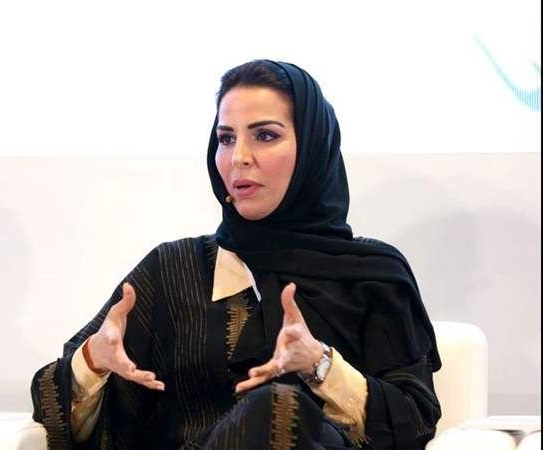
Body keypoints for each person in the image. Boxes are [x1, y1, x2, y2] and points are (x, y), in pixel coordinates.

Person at [31, 60, 442, 450]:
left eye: (265, 136)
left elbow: (415, 421)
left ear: (312, 150)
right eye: (226, 138)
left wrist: (319, 365)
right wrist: (93, 363)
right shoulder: (173, 270)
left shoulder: (372, 275)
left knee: (277, 409)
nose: (239, 157)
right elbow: (54, 406)